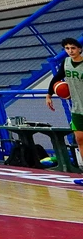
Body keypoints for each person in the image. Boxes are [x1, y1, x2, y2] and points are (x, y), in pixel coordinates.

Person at [47, 37, 83, 167]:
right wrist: (49, 94)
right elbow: (57, 77)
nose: (70, 51)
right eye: (67, 48)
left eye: (73, 48)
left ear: (79, 49)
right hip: (77, 108)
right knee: (79, 140)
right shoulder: (66, 62)